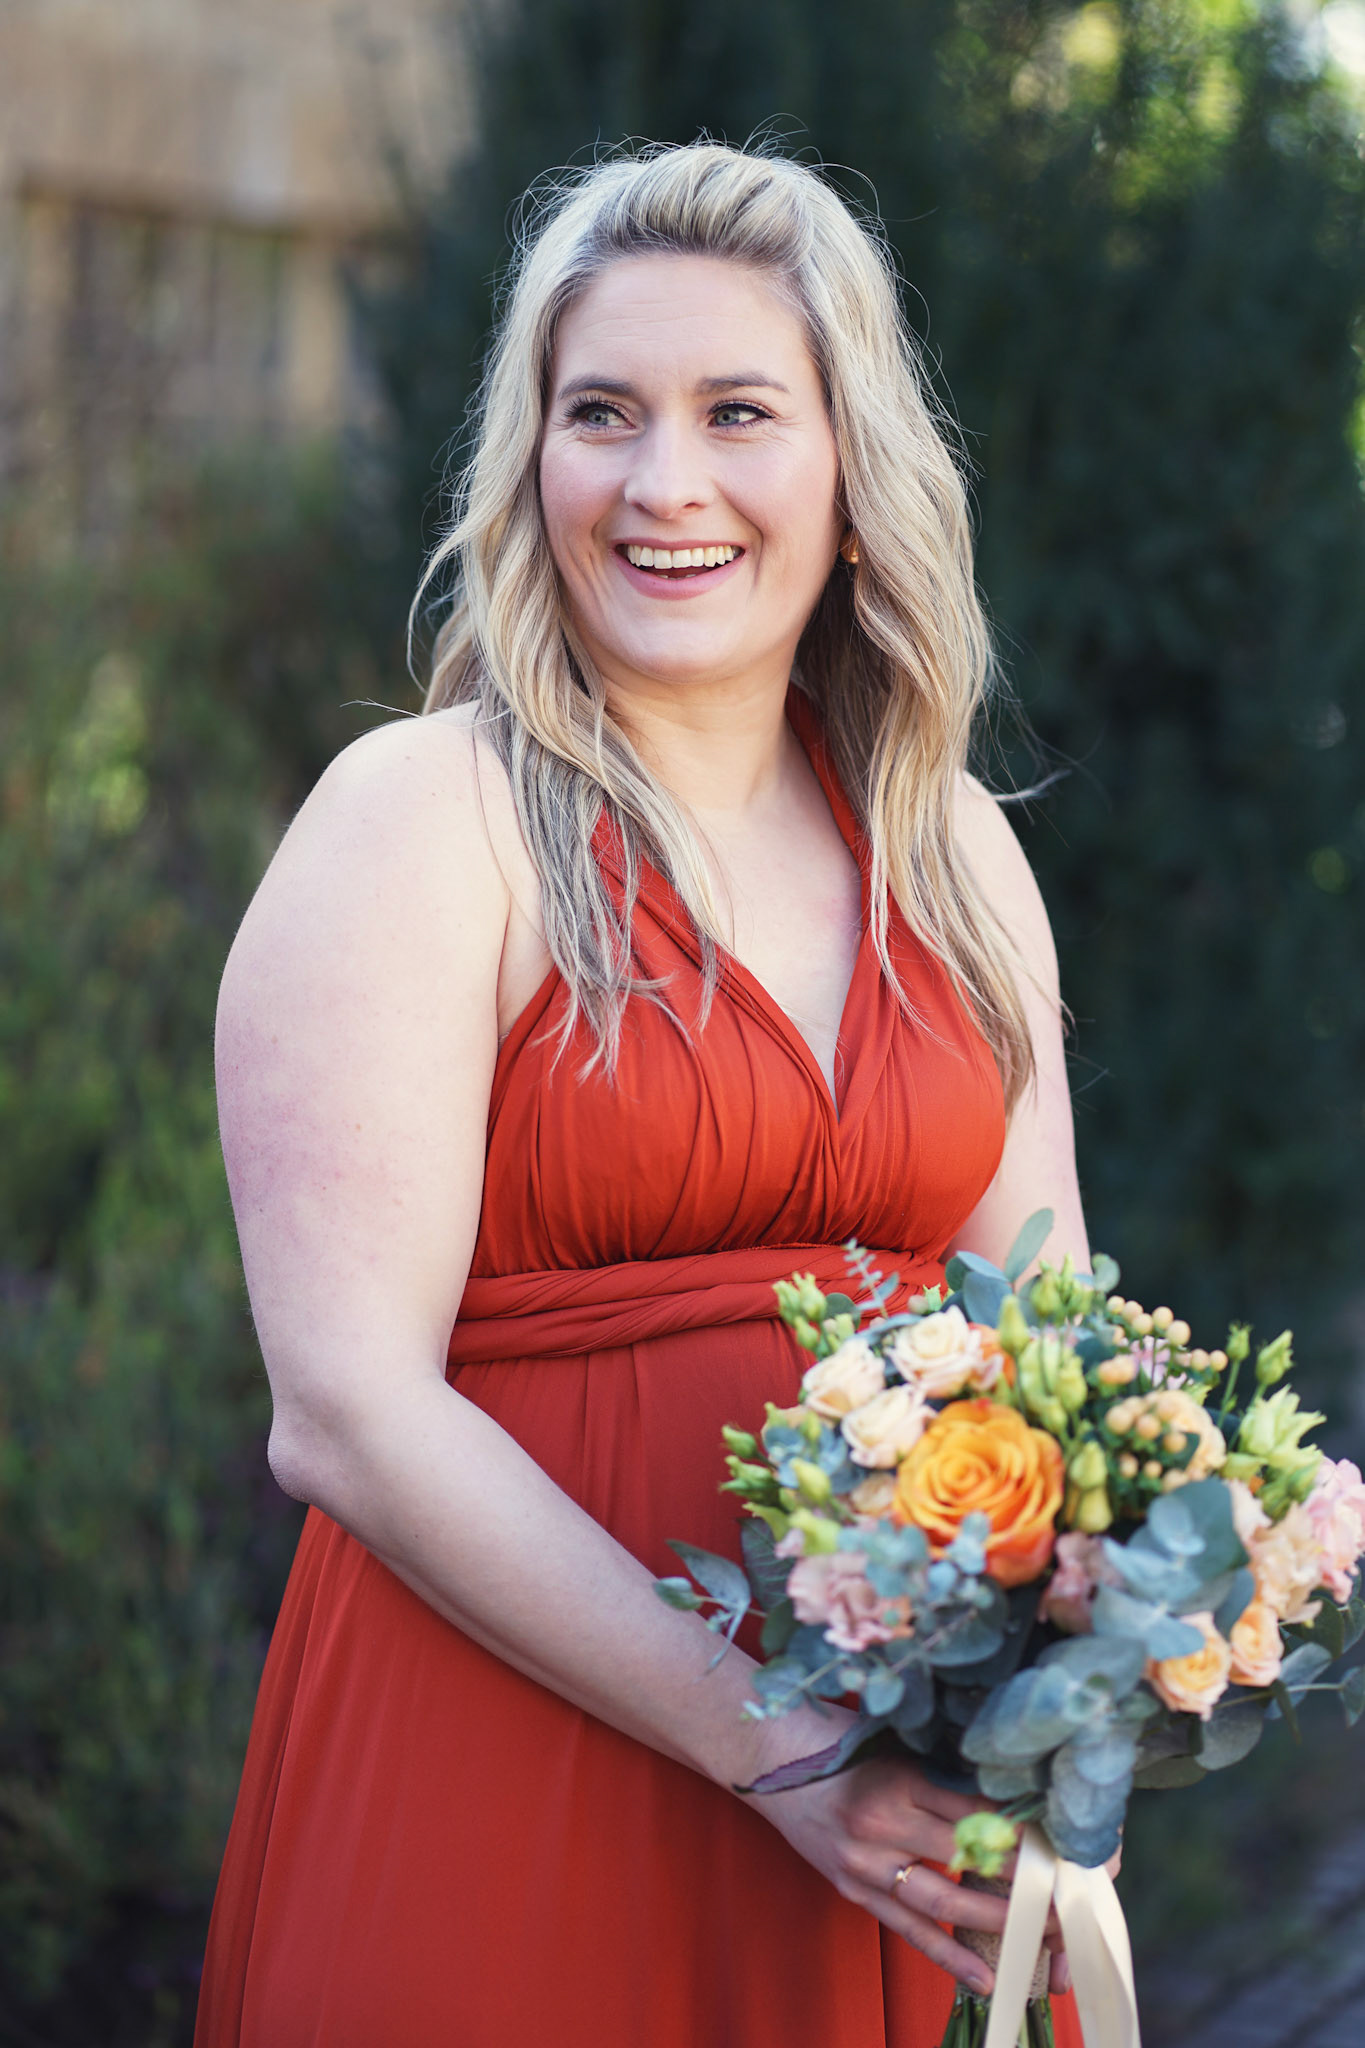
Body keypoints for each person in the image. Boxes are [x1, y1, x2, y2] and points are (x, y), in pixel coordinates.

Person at [195, 141, 1091, 2048]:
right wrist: (780, 1750)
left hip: (903, 1812)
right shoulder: (422, 819)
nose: (661, 481)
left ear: (849, 470)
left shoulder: (950, 851)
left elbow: (1055, 1346)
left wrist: (1102, 1681)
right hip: (509, 1779)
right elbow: (345, 1409)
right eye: (600, 412)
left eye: (735, 412)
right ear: (531, 464)